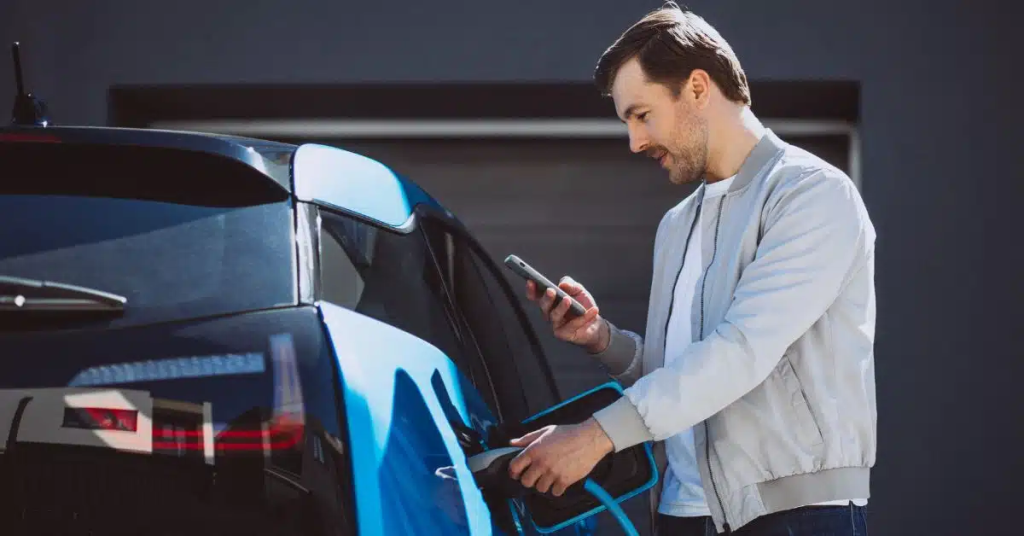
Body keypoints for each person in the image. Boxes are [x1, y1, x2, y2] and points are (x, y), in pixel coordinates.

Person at [505, 3, 877, 534]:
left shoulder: (811, 195)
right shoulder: (678, 224)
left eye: (642, 114)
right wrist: (603, 340)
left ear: (698, 87)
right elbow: (680, 373)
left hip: (791, 514)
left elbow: (742, 351)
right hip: (681, 513)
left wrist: (595, 436)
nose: (635, 141)